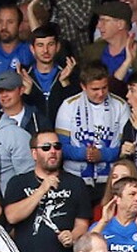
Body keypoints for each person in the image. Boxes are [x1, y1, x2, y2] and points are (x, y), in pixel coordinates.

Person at [2, 127, 92, 252]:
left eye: (57, 146)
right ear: (34, 153)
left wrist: (73, 236)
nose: (53, 151)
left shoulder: (76, 183)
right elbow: (12, 216)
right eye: (46, 147)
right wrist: (41, 190)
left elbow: (82, 224)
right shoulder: (18, 182)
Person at [56, 61, 130, 199]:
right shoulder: (68, 106)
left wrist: (102, 155)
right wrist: (85, 153)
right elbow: (60, 146)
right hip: (76, 177)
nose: (101, 93)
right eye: (95, 89)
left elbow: (126, 147)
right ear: (83, 86)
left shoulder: (120, 106)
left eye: (104, 87)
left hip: (111, 179)